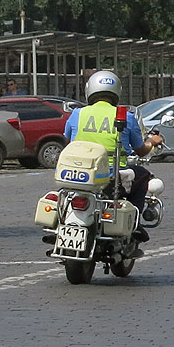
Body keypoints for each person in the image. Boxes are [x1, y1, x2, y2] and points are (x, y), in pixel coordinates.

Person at [63, 69, 164, 254]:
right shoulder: (124, 115)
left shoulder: (77, 114)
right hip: (111, 175)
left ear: (89, 90)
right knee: (143, 176)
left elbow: (68, 140)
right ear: (117, 91)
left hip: (78, 174)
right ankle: (135, 223)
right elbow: (140, 149)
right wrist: (153, 141)